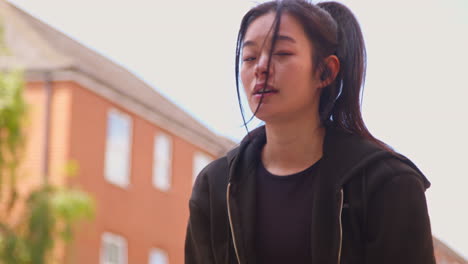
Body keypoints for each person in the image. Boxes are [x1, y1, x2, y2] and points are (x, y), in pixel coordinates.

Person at [185, 0, 436, 263]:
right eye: (249, 57)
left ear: (325, 71)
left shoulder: (387, 183)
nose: (260, 67)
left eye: (281, 53)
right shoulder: (215, 185)